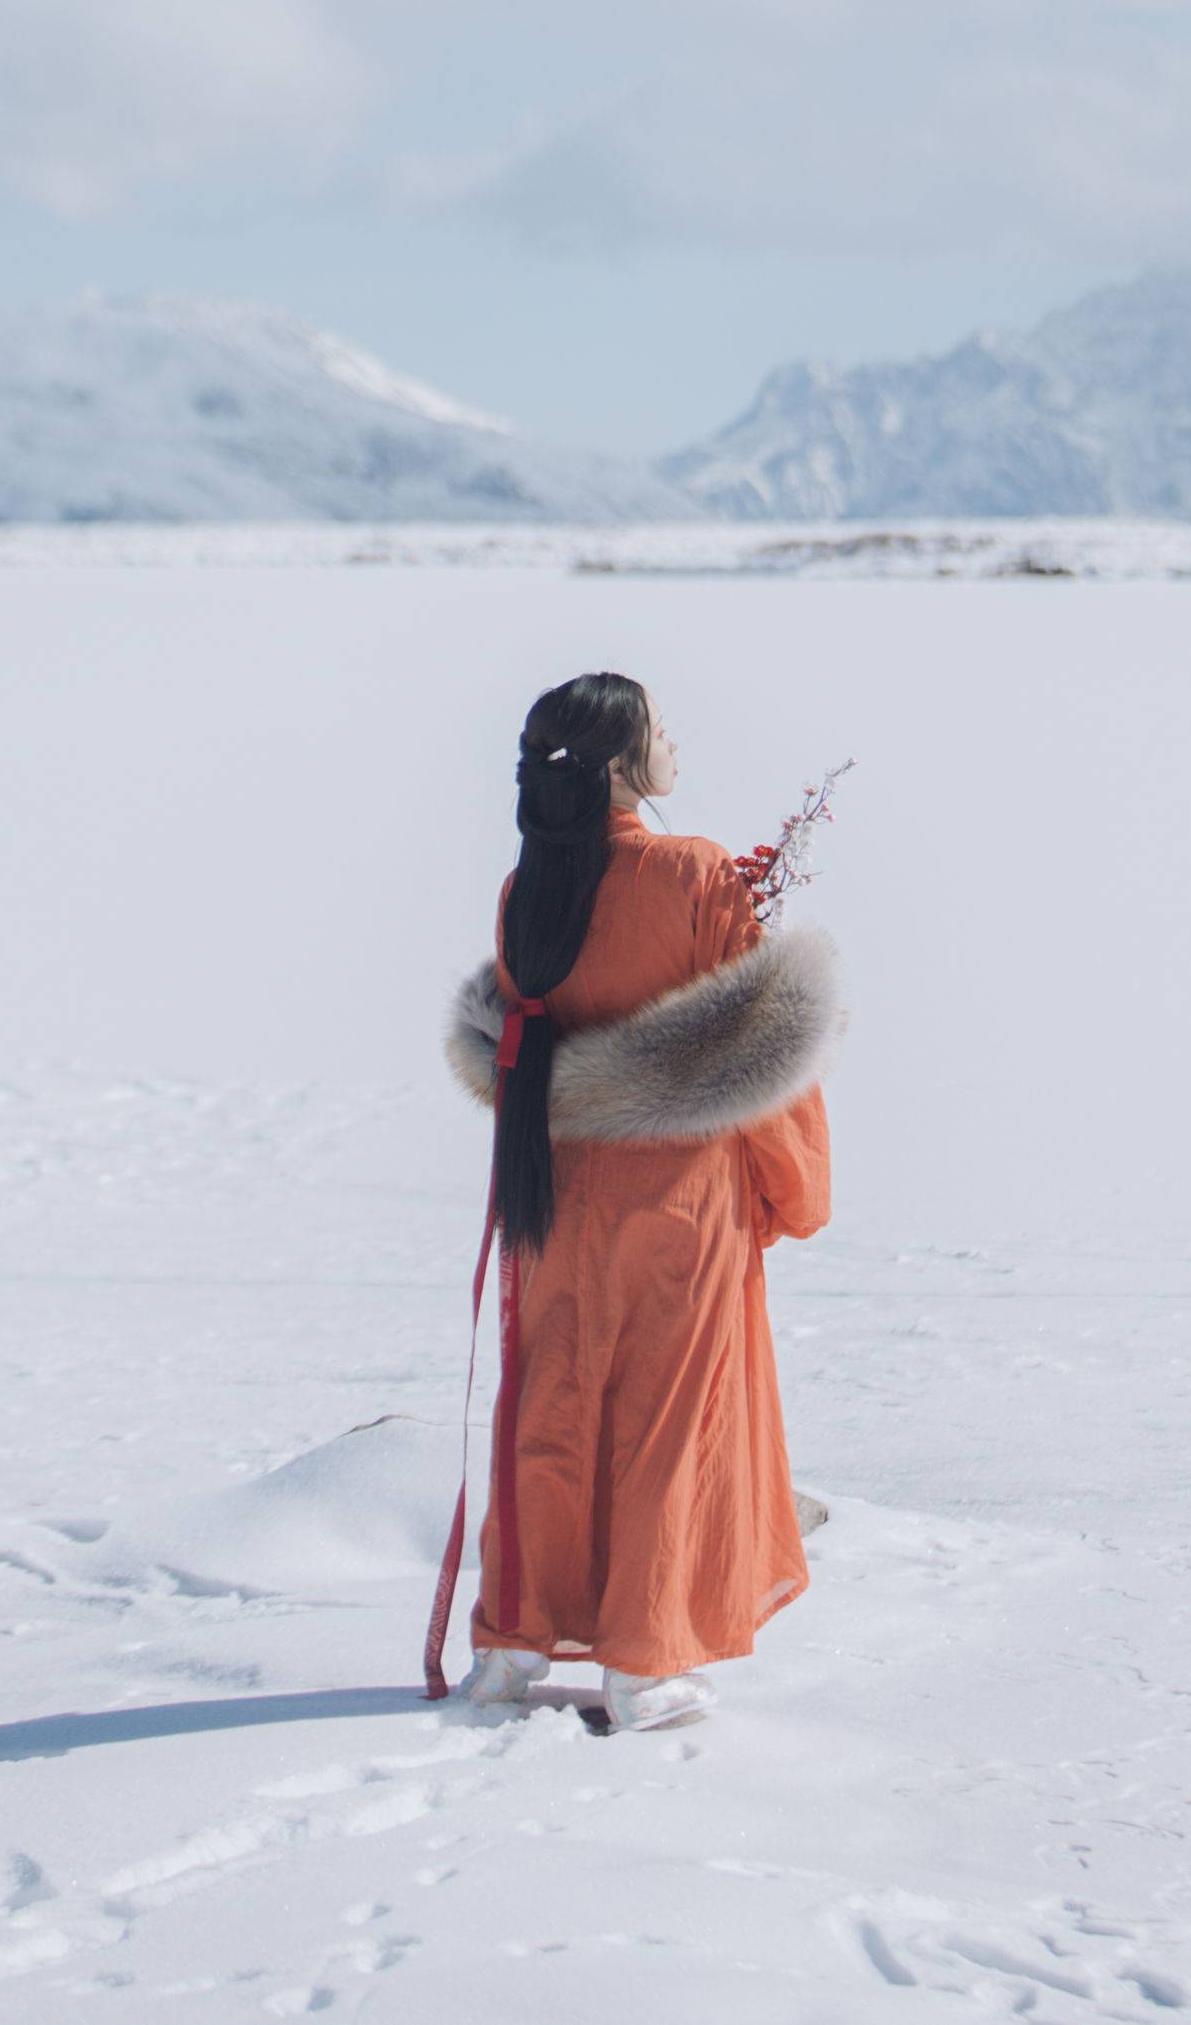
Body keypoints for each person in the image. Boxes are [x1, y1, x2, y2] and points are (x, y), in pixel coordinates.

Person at [441, 670, 836, 1732]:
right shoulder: (695, 875)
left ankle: (513, 1646)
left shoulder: (531, 890)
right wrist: (793, 1183)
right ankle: (645, 1660)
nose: (676, 741)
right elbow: (759, 1050)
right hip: (678, 1195)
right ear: (622, 764)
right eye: (661, 727)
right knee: (668, 1417)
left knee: (551, 1408)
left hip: (558, 1188)